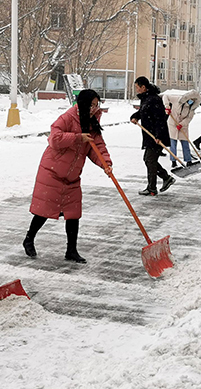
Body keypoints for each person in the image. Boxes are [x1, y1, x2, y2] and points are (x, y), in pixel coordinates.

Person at [22, 89, 112, 264]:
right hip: (52, 172)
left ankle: (71, 251)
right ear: (83, 103)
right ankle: (29, 239)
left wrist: (106, 164)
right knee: (44, 210)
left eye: (97, 105)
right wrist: (77, 138)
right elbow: (54, 139)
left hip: (72, 175)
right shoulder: (68, 117)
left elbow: (97, 147)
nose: (94, 108)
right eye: (91, 105)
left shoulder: (92, 122)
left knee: (73, 213)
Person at [130, 76, 175, 196]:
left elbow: (160, 119)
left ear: (143, 87)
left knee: (150, 160)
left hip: (156, 136)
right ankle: (165, 178)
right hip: (150, 135)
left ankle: (152, 188)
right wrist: (135, 116)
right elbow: (142, 112)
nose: (137, 90)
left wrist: (158, 135)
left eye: (137, 87)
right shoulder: (146, 98)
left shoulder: (154, 99)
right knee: (149, 160)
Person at [162, 89, 201, 168]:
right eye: (191, 99)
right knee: (173, 143)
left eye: (194, 100)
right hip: (172, 124)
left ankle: (188, 160)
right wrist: (167, 107)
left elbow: (188, 118)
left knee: (185, 143)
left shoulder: (191, 109)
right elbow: (165, 96)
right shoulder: (177, 99)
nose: (192, 101)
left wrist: (181, 124)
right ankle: (173, 161)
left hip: (183, 126)